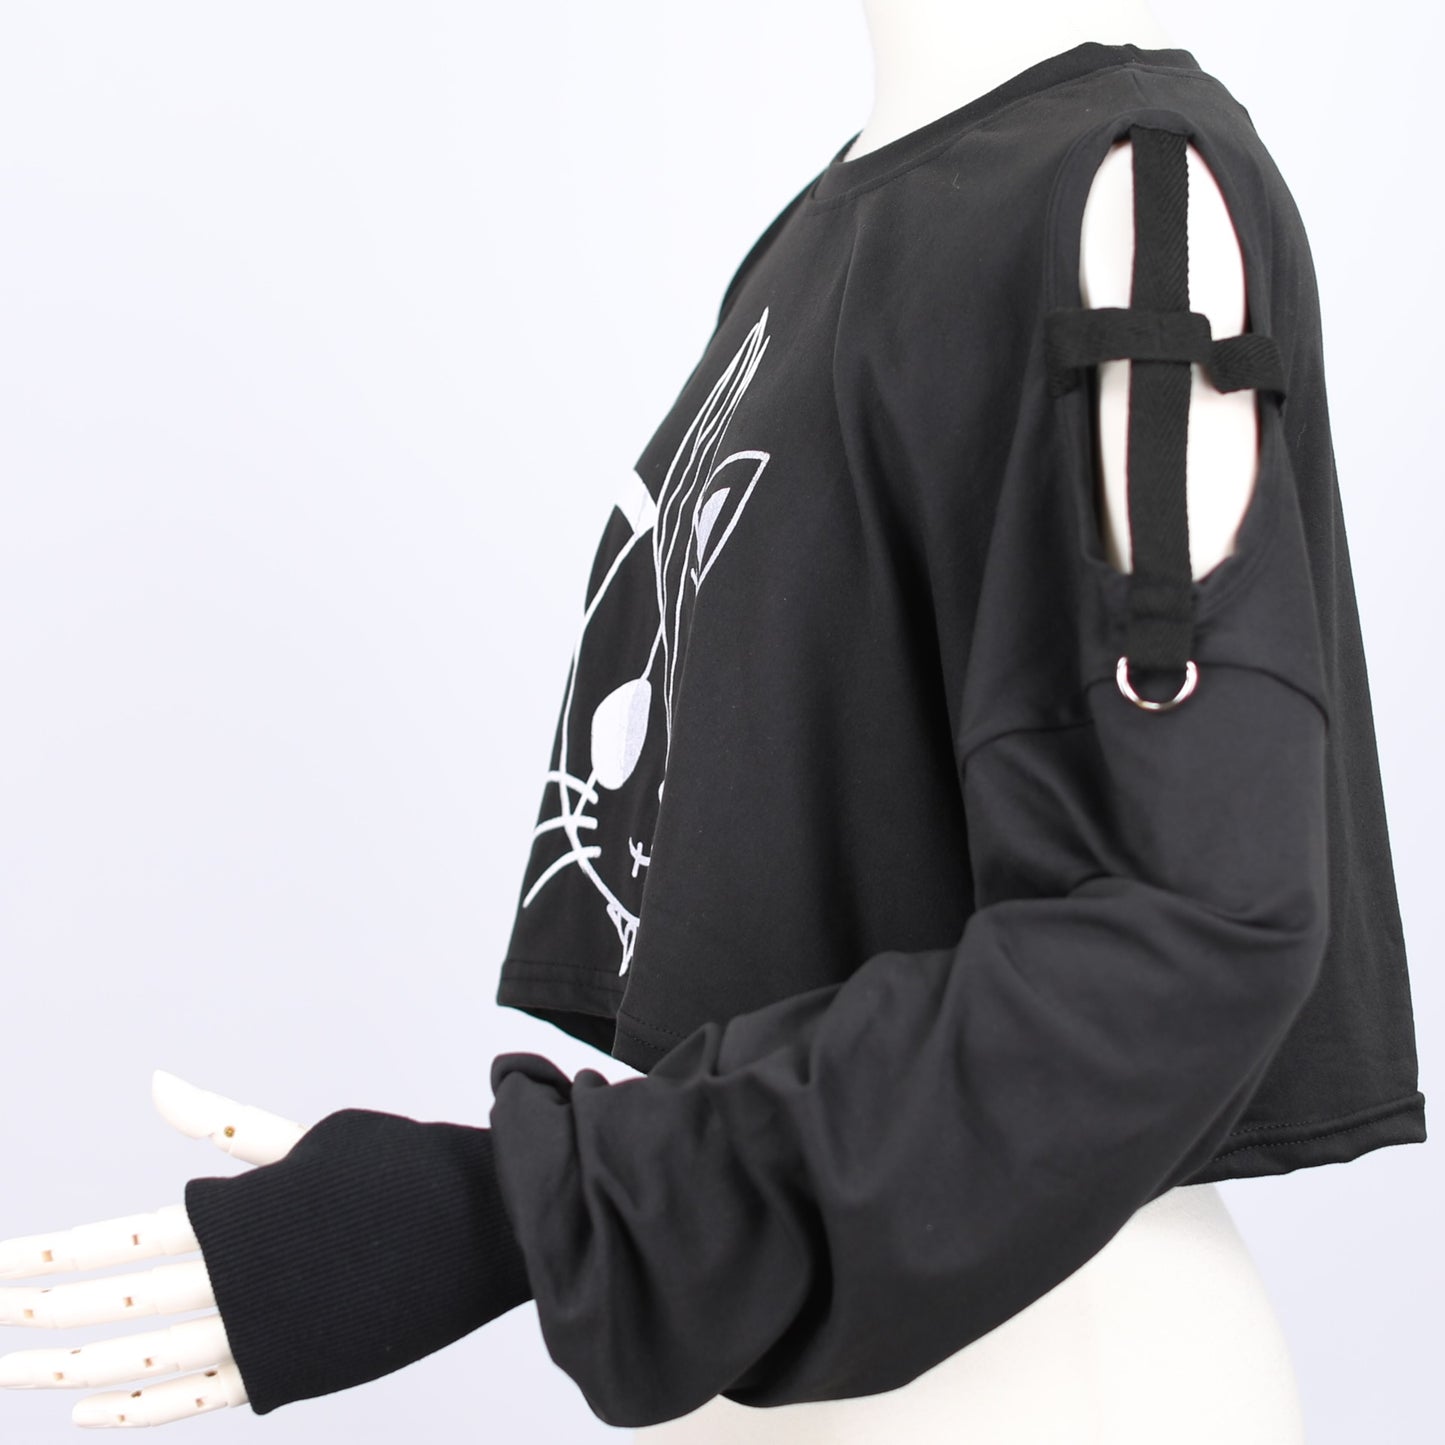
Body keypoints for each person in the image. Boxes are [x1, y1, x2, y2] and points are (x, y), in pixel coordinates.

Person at [0, 3, 1425, 1439]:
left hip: (1052, 1372)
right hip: (800, 1367)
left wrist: (514, 1210)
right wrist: (534, 1200)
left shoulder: (1126, 187)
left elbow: (1190, 926)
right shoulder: (818, 231)